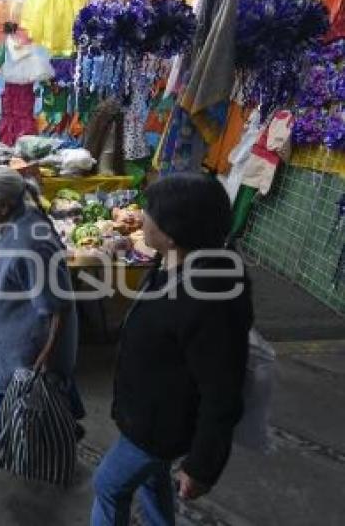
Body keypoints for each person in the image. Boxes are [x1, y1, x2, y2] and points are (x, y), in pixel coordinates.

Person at [91, 173, 253, 526]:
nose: (141, 216)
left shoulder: (206, 299)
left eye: (149, 211)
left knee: (108, 486)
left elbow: (223, 391)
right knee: (152, 480)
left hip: (160, 425)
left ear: (172, 230)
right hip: (150, 413)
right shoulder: (183, 263)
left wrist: (202, 466)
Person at [0, 166, 83, 450]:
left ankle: (60, 429)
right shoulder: (11, 224)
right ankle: (1, 425)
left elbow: (57, 309)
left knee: (35, 396)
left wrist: (46, 357)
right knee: (6, 386)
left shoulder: (32, 242)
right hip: (9, 334)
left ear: (3, 205)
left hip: (28, 344)